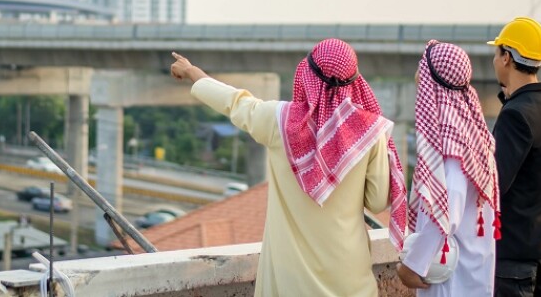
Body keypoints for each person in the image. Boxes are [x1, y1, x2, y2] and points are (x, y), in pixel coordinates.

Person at [170, 39, 407, 297]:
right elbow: (376, 201)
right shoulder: (369, 134)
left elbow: (235, 102)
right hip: (350, 283)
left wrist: (192, 72)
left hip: (287, 284)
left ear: (307, 75)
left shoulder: (279, 122)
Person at [396, 41, 500, 295]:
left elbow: (446, 208)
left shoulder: (453, 147)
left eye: (423, 71)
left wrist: (412, 265)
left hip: (452, 282)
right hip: (469, 275)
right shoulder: (474, 137)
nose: (418, 77)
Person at [488, 17, 541, 296]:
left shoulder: (516, 114)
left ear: (507, 57)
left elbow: (495, 184)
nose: (495, 60)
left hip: (515, 259)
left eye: (497, 53)